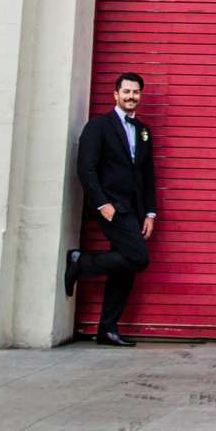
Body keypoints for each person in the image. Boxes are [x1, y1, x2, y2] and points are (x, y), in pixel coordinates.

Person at [67, 72, 159, 347]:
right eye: (127, 91)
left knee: (126, 267)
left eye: (136, 92)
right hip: (110, 206)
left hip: (133, 208)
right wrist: (101, 204)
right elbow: (86, 168)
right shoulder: (98, 127)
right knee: (138, 258)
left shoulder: (143, 130)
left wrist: (150, 213)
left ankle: (107, 329)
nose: (132, 96)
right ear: (115, 94)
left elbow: (147, 174)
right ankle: (80, 261)